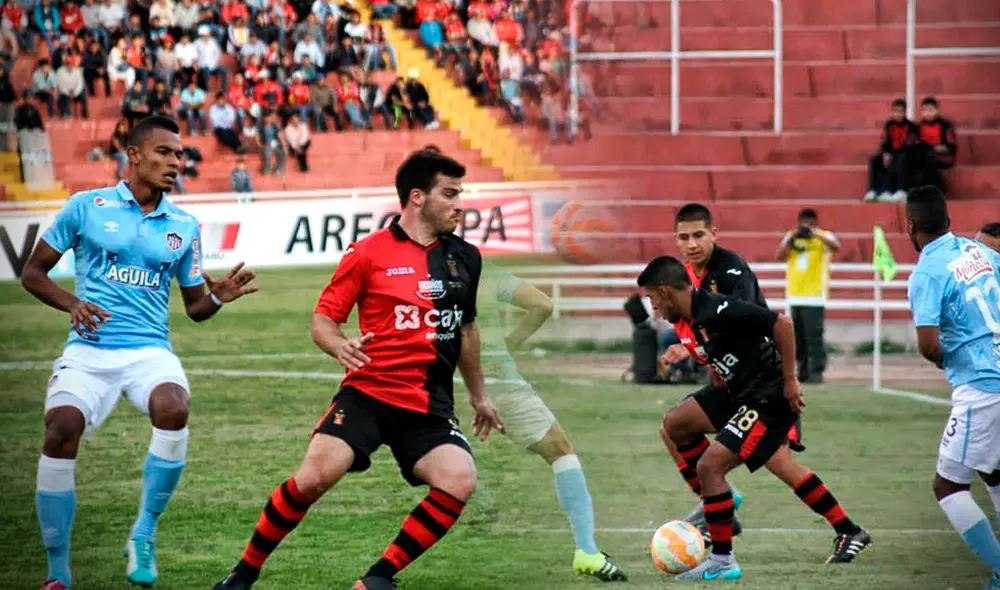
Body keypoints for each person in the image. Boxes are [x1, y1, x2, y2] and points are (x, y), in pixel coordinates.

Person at [212, 148, 506, 590]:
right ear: (417, 197)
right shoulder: (368, 253)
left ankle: (377, 579)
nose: (460, 204)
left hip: (428, 404)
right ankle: (243, 573)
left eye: (460, 194)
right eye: (450, 193)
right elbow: (322, 321)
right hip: (369, 393)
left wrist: (479, 395)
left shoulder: (465, 257)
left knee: (459, 477)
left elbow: (465, 329)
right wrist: (340, 346)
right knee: (315, 475)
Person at [20, 115, 258, 590]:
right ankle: (58, 572)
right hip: (88, 351)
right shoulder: (86, 207)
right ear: (134, 155)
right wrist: (73, 304)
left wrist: (217, 298)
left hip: (148, 350)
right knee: (61, 427)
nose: (176, 162)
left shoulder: (184, 225)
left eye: (181, 155)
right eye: (166, 152)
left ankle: (144, 532)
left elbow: (194, 306)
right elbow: (33, 272)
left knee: (174, 406)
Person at [638, 256, 870, 581]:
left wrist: (790, 381)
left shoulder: (717, 307)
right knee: (675, 424)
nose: (653, 308)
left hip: (769, 397)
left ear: (664, 292)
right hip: (738, 394)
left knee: (714, 466)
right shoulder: (686, 321)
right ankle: (720, 503)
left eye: (652, 299)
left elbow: (782, 324)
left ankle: (722, 558)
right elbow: (720, 353)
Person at [473, 262, 627, 581]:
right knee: (560, 449)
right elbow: (542, 304)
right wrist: (509, 345)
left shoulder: (422, 271)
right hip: (496, 379)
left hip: (439, 381)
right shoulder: (480, 270)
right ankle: (586, 550)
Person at [904, 186, 1000, 590]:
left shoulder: (927, 272)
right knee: (993, 472)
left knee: (947, 485)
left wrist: (954, 356)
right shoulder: (981, 252)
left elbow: (928, 345)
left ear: (911, 227)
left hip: (981, 387)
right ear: (947, 220)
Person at [776, 208, 840, 384]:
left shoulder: (824, 238)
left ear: (815, 223)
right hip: (794, 295)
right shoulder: (792, 238)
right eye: (803, 223)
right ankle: (802, 371)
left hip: (815, 296)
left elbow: (836, 246)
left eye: (810, 224)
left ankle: (816, 371)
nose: (806, 227)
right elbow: (779, 256)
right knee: (798, 339)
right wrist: (793, 237)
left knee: (814, 337)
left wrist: (814, 233)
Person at [865, 98, 918, 203]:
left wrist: (892, 154)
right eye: (896, 111)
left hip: (905, 154)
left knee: (900, 158)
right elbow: (885, 142)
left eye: (901, 112)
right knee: (874, 159)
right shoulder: (889, 125)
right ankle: (873, 190)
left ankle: (901, 190)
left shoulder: (911, 126)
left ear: (905, 112)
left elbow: (910, 145)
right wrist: (885, 153)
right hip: (890, 153)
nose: (898, 114)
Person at [905, 97, 958, 194]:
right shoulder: (918, 127)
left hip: (944, 157)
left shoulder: (946, 126)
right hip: (924, 155)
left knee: (929, 155)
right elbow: (911, 144)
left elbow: (950, 147)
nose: (928, 113)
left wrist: (935, 148)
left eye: (930, 110)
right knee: (908, 156)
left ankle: (935, 189)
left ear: (937, 110)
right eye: (925, 110)